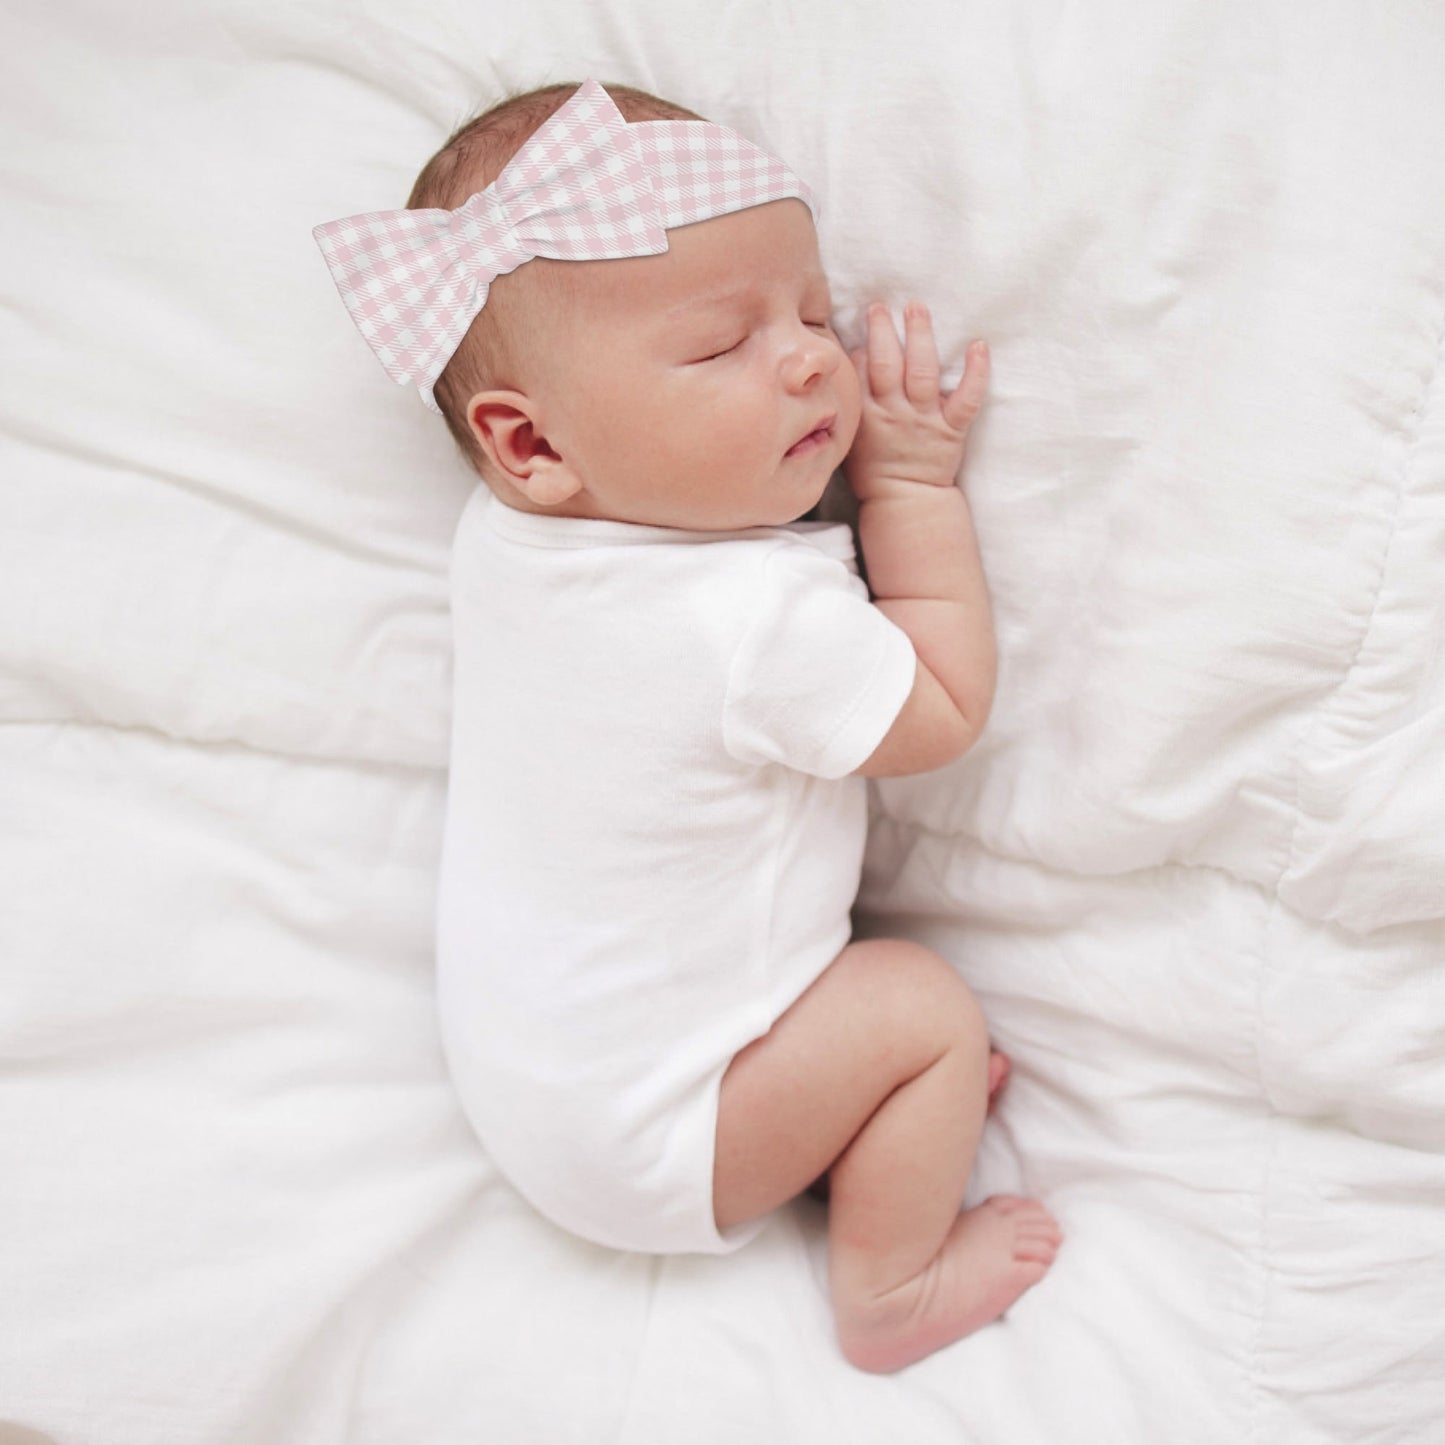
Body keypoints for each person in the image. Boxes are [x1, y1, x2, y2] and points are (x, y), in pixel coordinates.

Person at [315, 77, 1060, 1374]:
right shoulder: (747, 614)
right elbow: (939, 708)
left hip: (542, 1091)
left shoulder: (506, 541)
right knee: (922, 1006)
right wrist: (907, 482)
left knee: (867, 1021)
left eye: (812, 309)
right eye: (722, 344)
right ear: (532, 440)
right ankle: (888, 1289)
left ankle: (844, 1127)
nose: (810, 357)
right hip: (665, 1133)